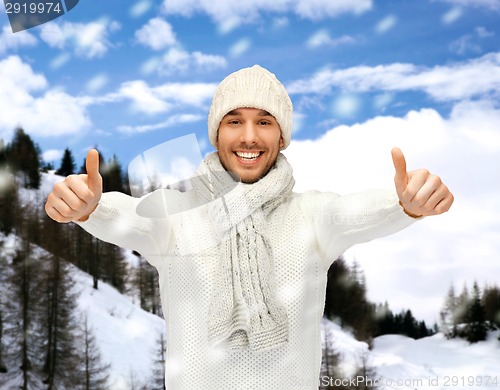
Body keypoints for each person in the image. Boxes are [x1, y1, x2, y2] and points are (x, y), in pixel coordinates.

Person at [45, 65, 453, 389]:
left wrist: (405, 204)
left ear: (282, 136)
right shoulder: (177, 216)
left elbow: (355, 211)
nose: (249, 136)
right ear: (216, 132)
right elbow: (129, 217)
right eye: (234, 121)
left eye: (265, 121)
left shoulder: (312, 216)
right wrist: (89, 208)